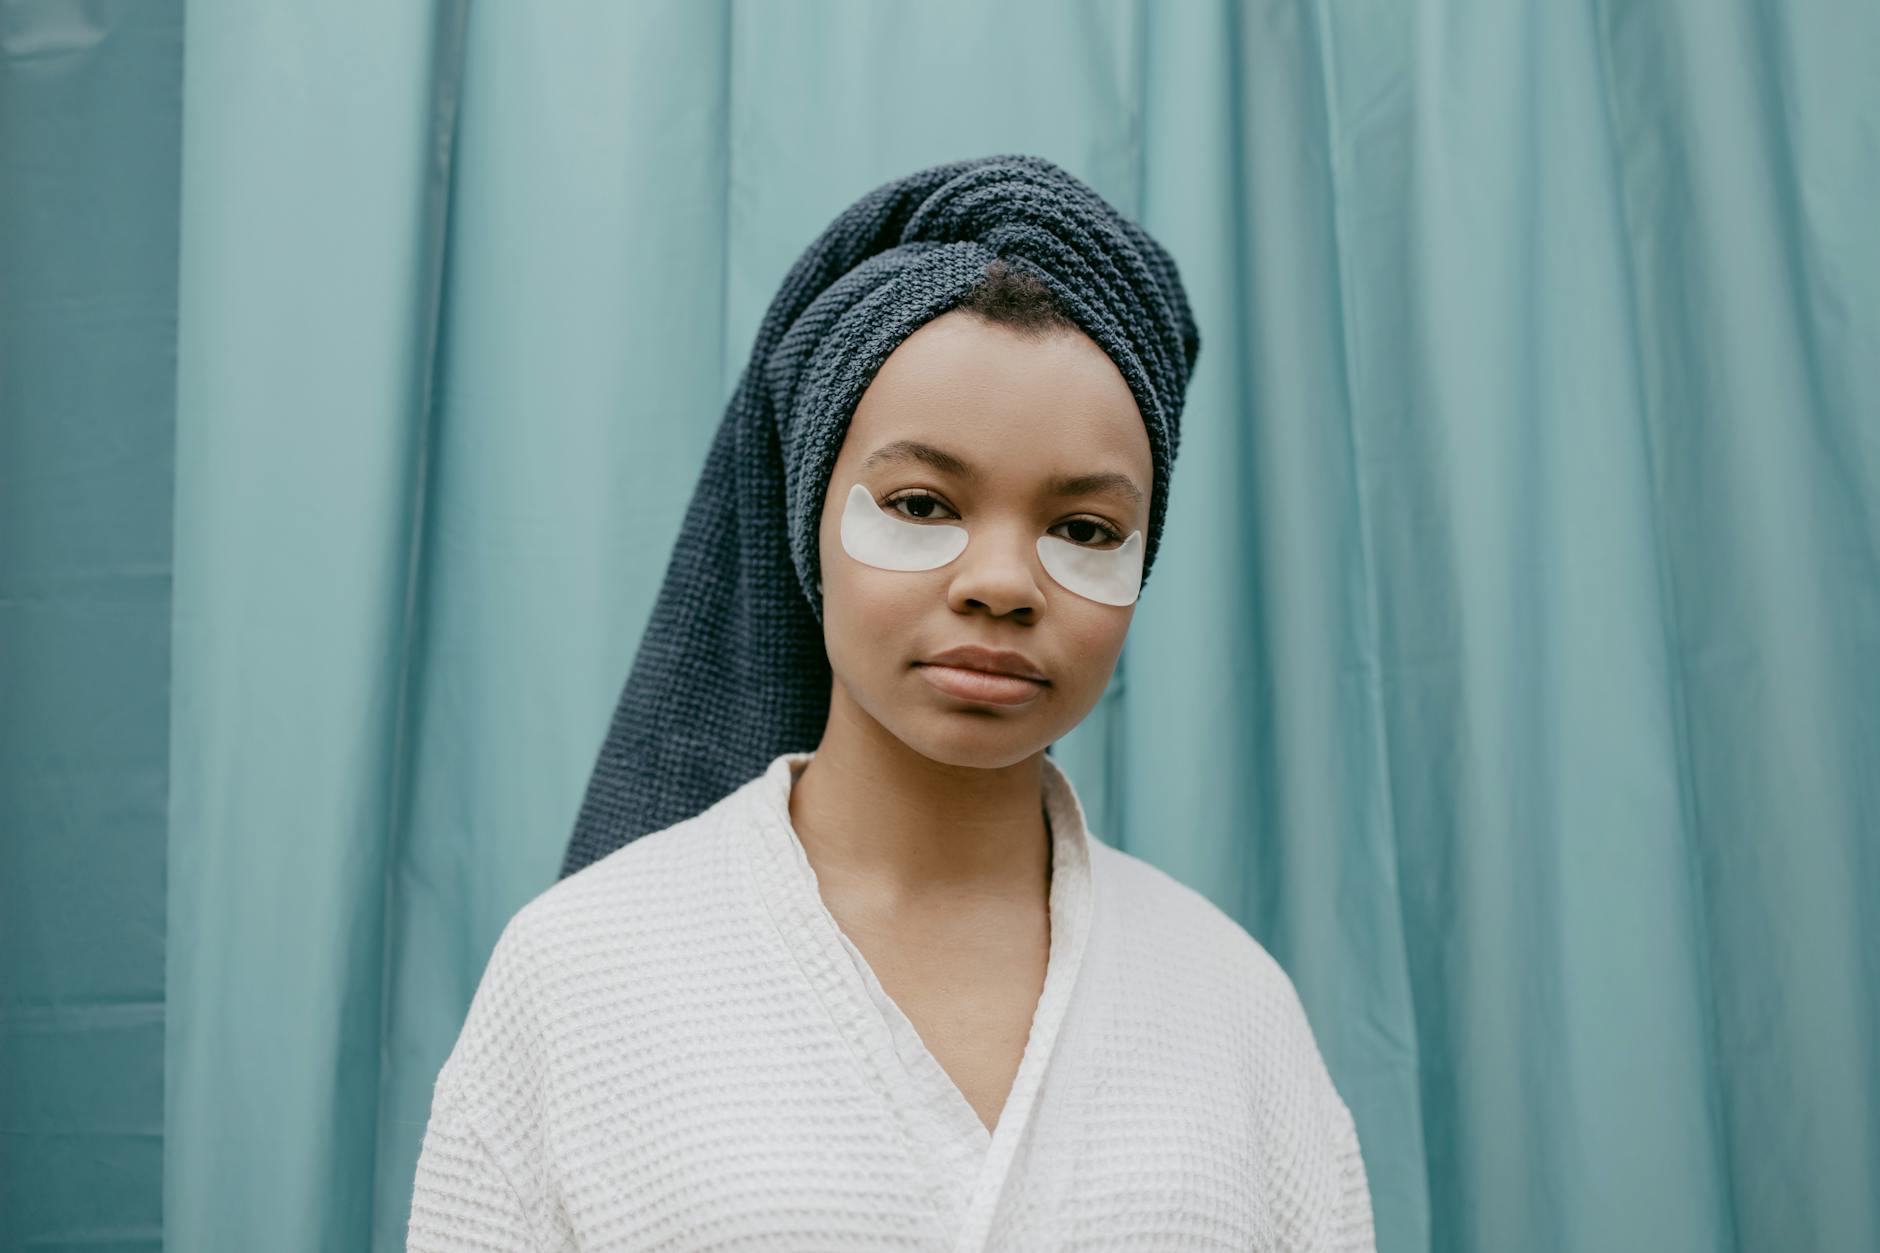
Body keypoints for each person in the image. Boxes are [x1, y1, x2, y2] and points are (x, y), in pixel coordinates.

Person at [408, 156, 1376, 1252]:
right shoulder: (577, 972)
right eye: (921, 503)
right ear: (806, 512)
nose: (1002, 581)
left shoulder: (1233, 1003)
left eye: (1085, 528)